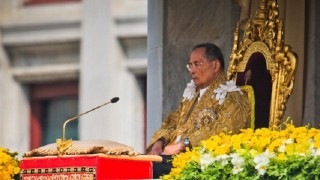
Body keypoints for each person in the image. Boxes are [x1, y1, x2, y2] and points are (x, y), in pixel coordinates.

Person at [146, 43, 251, 178]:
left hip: (198, 162)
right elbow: (172, 122)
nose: (192, 70)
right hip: (169, 157)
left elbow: (222, 131)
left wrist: (182, 145)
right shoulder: (191, 97)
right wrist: (159, 143)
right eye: (190, 65)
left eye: (197, 64)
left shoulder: (232, 97)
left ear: (215, 65)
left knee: (143, 168)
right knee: (133, 162)